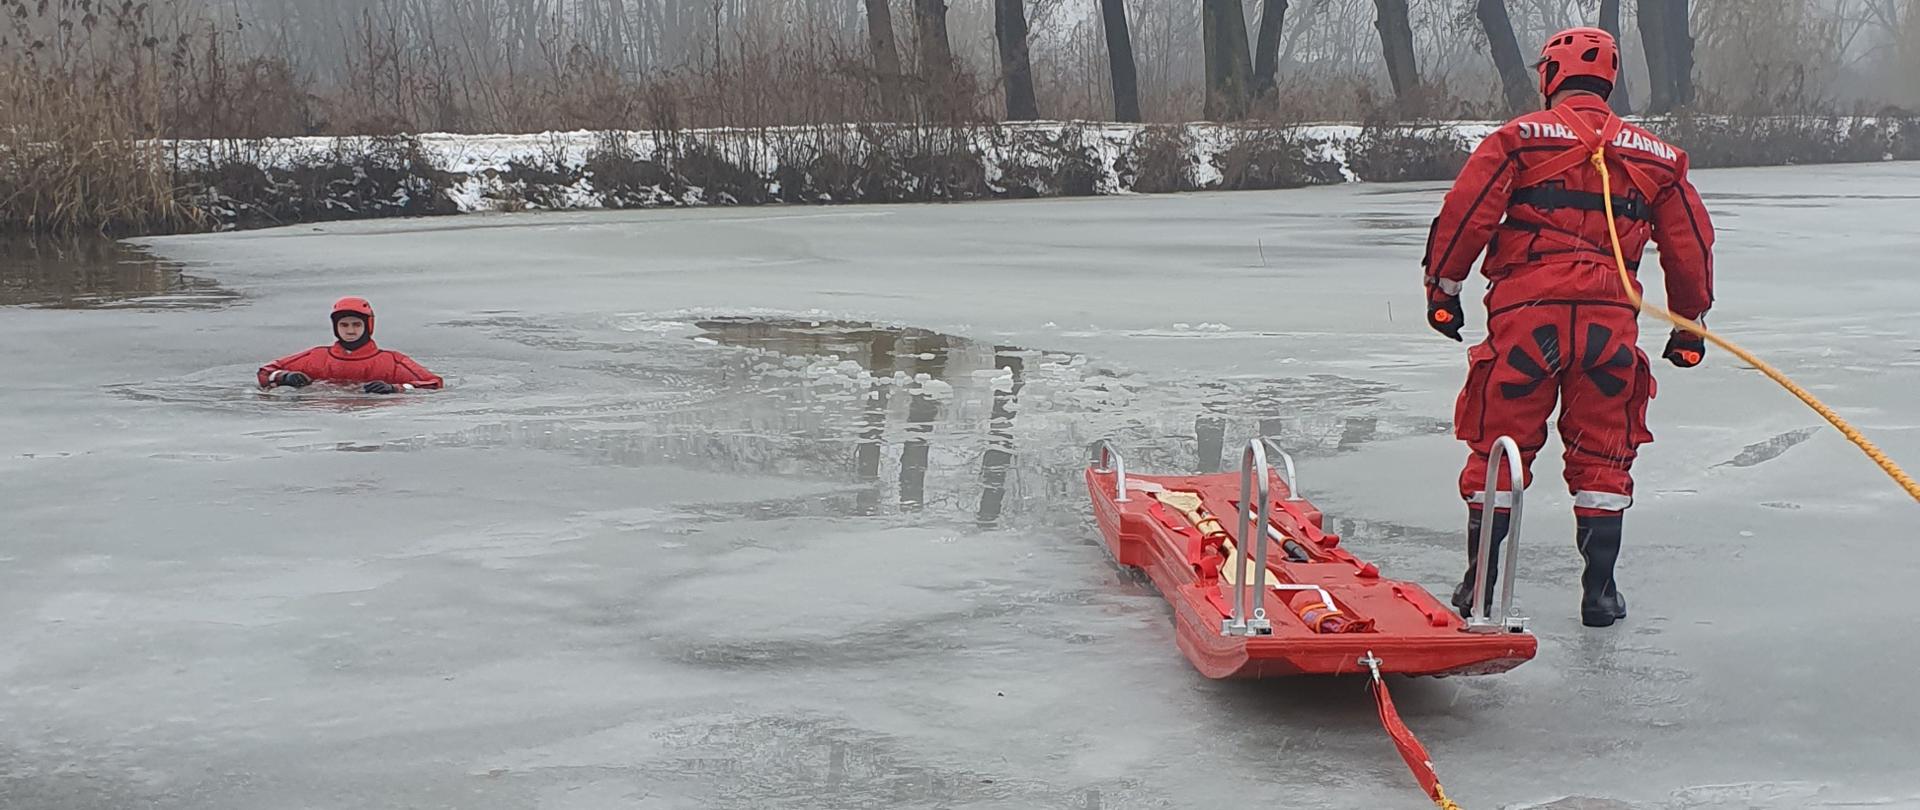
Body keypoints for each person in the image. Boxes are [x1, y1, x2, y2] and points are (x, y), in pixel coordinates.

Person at [1419, 27, 1715, 627]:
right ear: (1609, 81)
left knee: (1499, 444)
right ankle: (1600, 596)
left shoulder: (1517, 139)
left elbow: (1465, 214)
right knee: (1606, 452)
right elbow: (1690, 247)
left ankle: (1480, 586)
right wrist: (1690, 325)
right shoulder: (1658, 157)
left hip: (1530, 322)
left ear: (1551, 76)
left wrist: (1443, 291)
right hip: (1609, 329)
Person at [257, 296, 444, 394]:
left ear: (368, 326)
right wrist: (285, 377)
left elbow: (433, 384)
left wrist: (396, 389)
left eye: (356, 324)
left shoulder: (392, 361)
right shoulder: (317, 357)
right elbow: (265, 373)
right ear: (336, 327)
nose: (350, 330)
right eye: (344, 325)